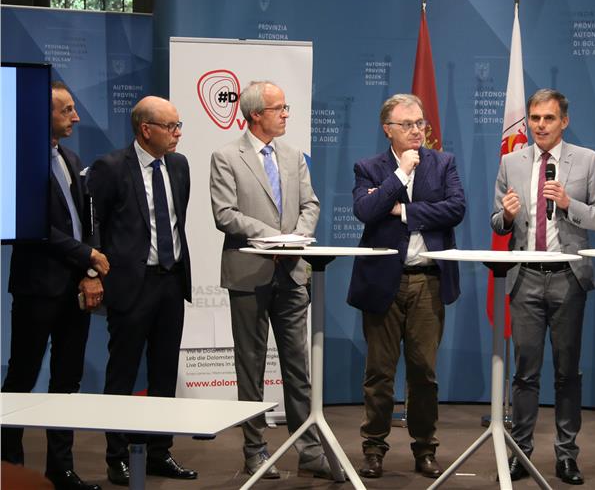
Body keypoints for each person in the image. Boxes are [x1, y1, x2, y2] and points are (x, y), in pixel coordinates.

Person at [209, 81, 332, 480]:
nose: (286, 114)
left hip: (292, 272)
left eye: (286, 107)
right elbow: (225, 214)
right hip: (249, 273)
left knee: (298, 366)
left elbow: (311, 204)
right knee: (251, 365)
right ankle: (255, 449)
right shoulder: (226, 157)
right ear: (256, 115)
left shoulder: (293, 156)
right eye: (279, 108)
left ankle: (308, 450)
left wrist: (296, 238)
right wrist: (272, 238)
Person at [491, 89, 595, 485]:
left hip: (567, 277)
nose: (540, 125)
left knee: (567, 372)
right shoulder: (511, 162)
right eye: (535, 118)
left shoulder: (586, 160)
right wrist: (507, 217)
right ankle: (521, 453)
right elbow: (497, 222)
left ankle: (567, 456)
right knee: (525, 372)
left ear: (564, 121)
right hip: (524, 276)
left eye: (549, 118)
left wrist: (568, 203)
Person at [347, 93, 466, 479]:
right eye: (408, 125)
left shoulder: (443, 163)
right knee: (379, 374)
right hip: (383, 282)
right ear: (388, 129)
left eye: (420, 123)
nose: (417, 131)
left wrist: (403, 211)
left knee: (423, 373)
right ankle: (373, 448)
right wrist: (399, 176)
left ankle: (425, 448)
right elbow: (365, 211)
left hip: (427, 282)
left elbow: (456, 208)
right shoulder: (369, 168)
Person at [1, 81, 108, 490]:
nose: (76, 118)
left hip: (75, 288)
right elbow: (35, 228)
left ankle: (60, 470)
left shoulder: (70, 158)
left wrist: (90, 270)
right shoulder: (18, 162)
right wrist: (87, 255)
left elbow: (88, 221)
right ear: (41, 114)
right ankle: (10, 468)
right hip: (37, 288)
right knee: (22, 379)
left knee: (67, 381)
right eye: (66, 110)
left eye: (75, 109)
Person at [89, 96, 196, 486]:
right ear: (146, 129)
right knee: (123, 373)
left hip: (171, 281)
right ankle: (117, 457)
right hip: (131, 285)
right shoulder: (111, 167)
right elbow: (94, 223)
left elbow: (177, 218)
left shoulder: (179, 166)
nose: (178, 133)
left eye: (178, 125)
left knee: (164, 372)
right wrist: (93, 272)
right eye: (171, 126)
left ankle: (158, 451)